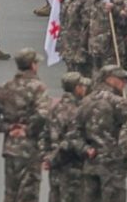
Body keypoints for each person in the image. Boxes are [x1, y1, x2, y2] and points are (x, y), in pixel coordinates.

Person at [0, 48, 50, 202]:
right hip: (30, 149)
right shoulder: (38, 87)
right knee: (28, 194)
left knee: (10, 193)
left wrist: (7, 128)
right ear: (33, 65)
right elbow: (43, 114)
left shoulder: (6, 87)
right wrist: (27, 130)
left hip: (10, 147)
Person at [68, 65, 127, 202]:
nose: (125, 82)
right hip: (113, 166)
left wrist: (85, 149)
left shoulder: (85, 102)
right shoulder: (118, 103)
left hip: (90, 163)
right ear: (109, 79)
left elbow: (73, 133)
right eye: (121, 78)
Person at [44, 73, 88, 202]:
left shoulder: (55, 108)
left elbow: (44, 134)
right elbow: (70, 141)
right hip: (72, 165)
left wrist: (47, 157)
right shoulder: (77, 111)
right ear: (77, 88)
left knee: (55, 195)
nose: (85, 89)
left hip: (55, 165)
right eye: (82, 86)